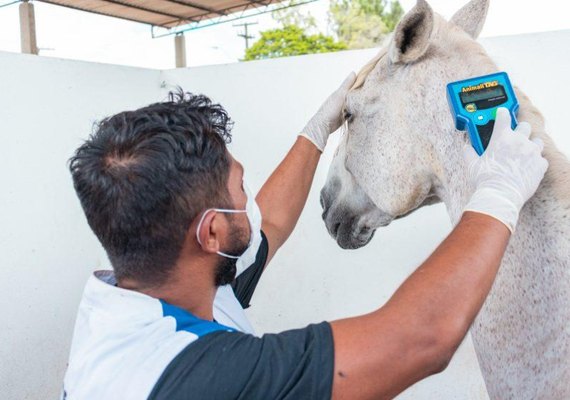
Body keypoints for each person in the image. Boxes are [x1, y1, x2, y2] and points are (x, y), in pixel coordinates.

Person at [62, 73, 548, 400]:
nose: (249, 201)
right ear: (210, 232)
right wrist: (499, 192)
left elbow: (266, 225)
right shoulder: (192, 376)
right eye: (240, 188)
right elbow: (419, 339)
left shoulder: (151, 286)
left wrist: (318, 131)